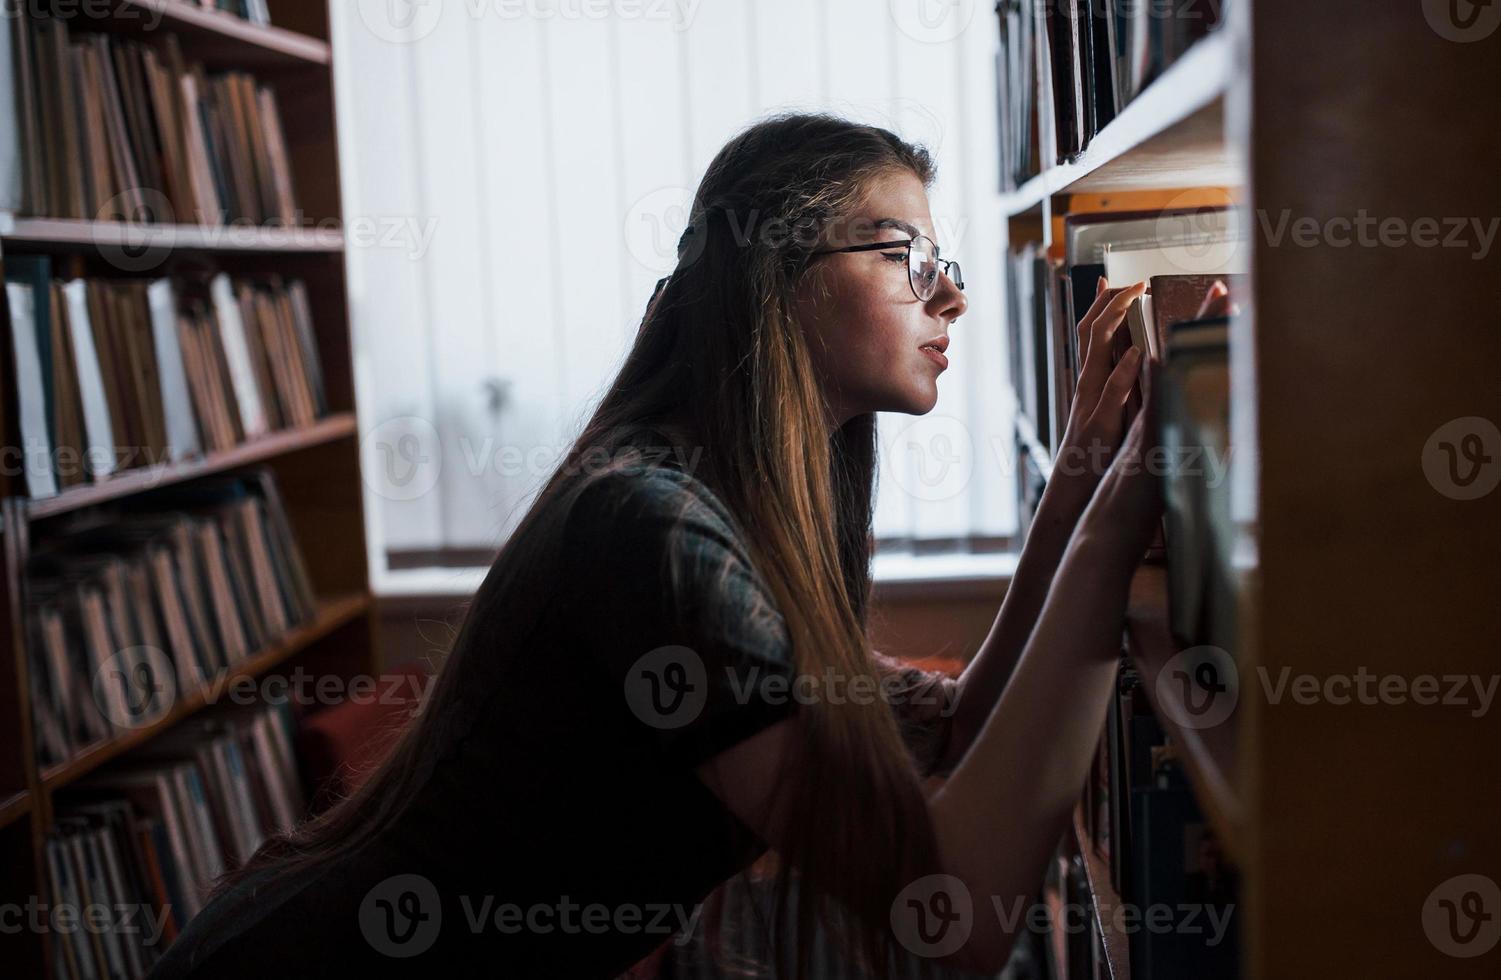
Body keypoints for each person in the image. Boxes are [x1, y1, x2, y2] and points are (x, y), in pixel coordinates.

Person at [148, 112, 1166, 979]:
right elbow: (953, 916)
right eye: (904, 256)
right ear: (777, 279)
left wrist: (1080, 471)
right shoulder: (655, 531)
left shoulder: (734, 513)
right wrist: (1115, 526)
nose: (948, 297)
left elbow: (947, 730)